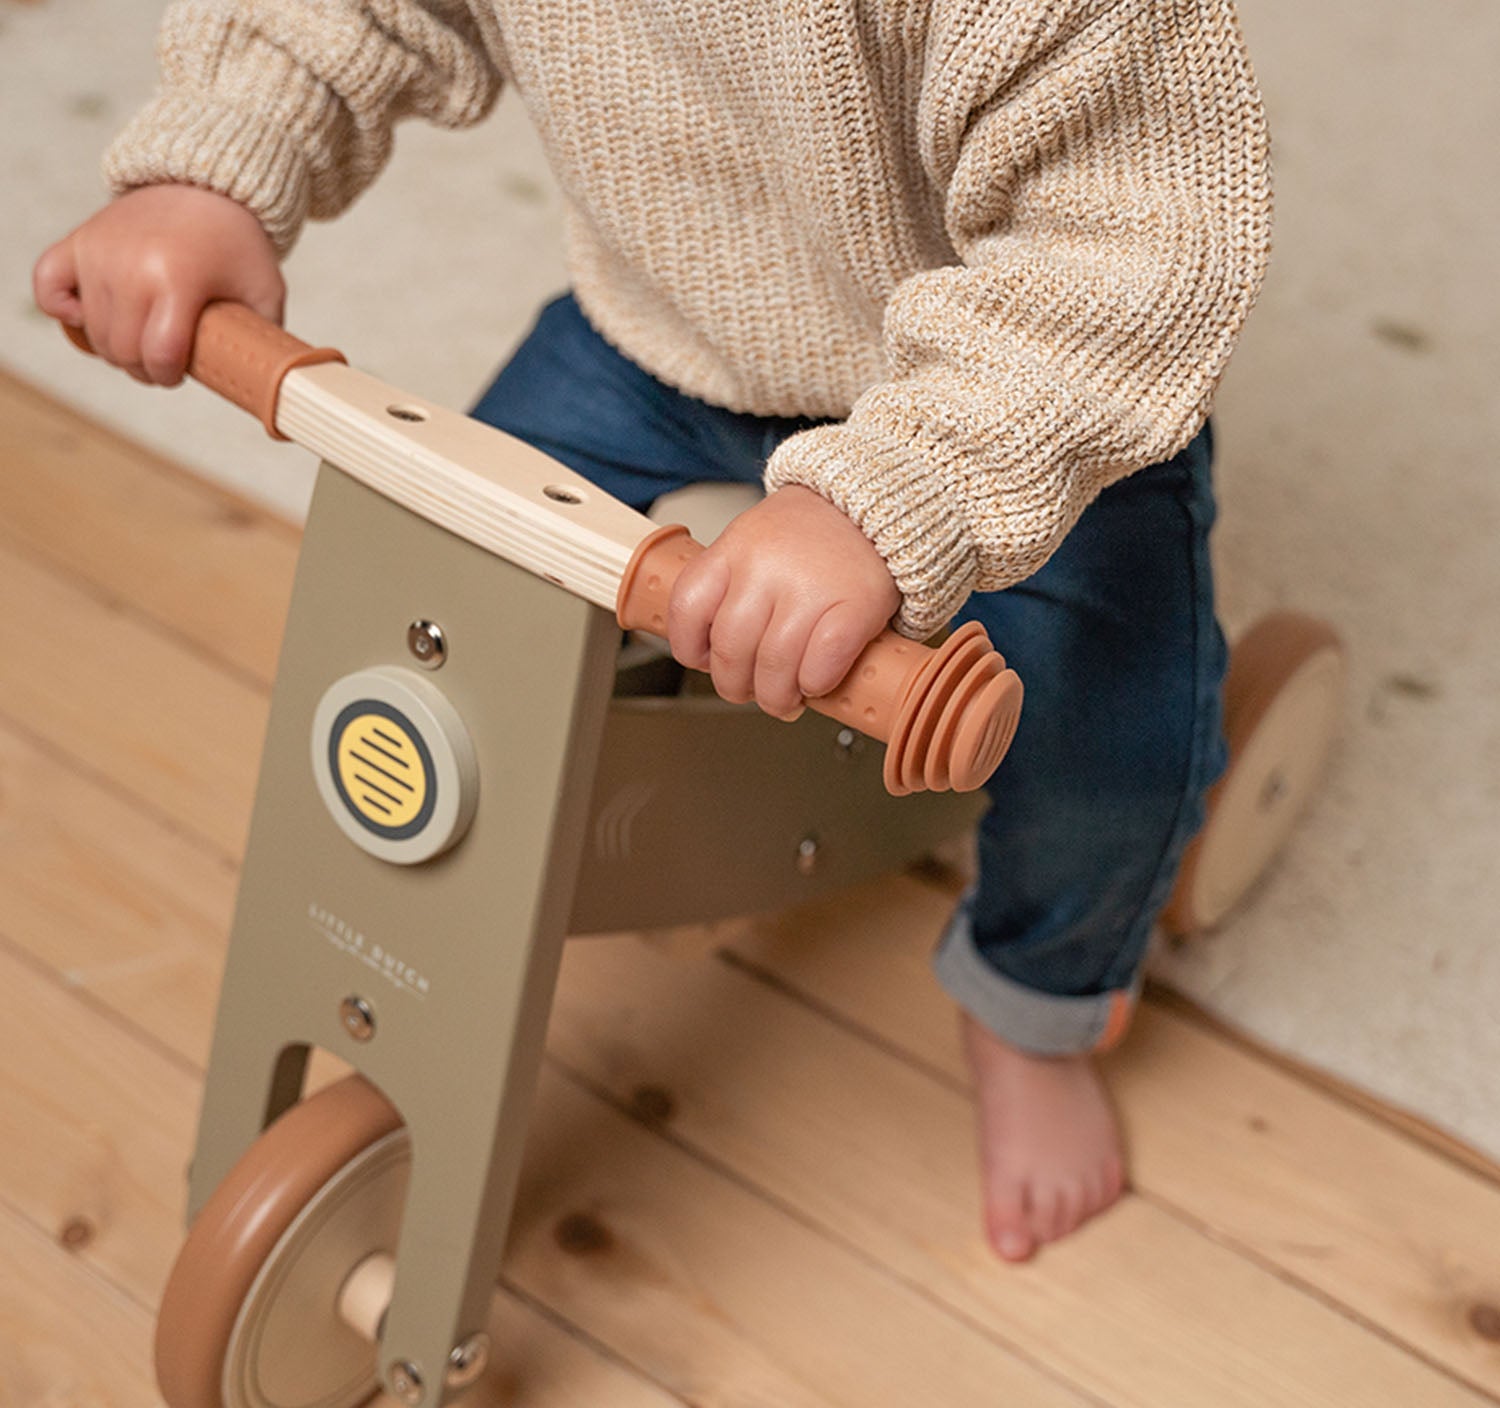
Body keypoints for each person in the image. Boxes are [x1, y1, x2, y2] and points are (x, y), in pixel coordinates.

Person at [33, 0, 1270, 1263]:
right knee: (438, 606)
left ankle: (1038, 1004)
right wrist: (217, 161)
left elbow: (1133, 253)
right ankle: (462, 892)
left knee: (1112, 736)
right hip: (660, 337)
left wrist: (898, 496)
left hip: (999, 384)